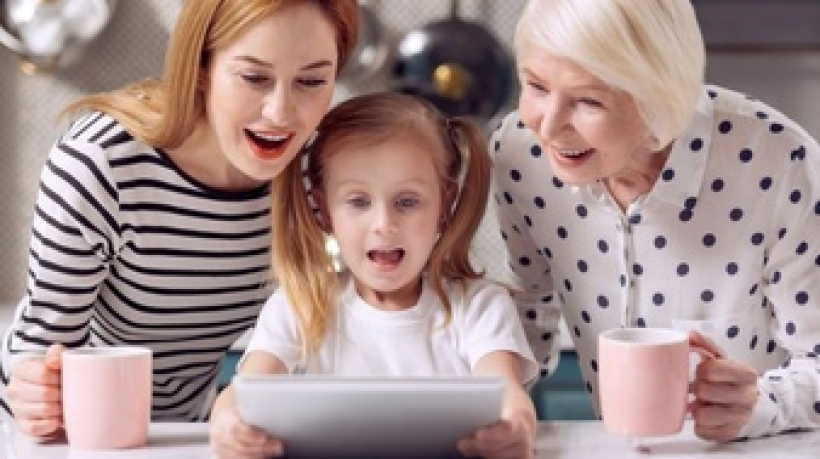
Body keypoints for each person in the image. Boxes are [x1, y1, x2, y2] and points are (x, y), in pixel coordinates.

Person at [0, 0, 358, 441]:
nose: (281, 113)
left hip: (187, 434)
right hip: (73, 434)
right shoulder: (102, 163)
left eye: (311, 81)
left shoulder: (312, 170)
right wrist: (35, 385)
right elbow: (42, 345)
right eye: (254, 78)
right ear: (201, 67)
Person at [492, 0, 820, 443]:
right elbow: (527, 314)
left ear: (658, 92)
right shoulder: (518, 153)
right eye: (536, 86)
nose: (549, 127)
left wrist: (763, 404)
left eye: (589, 101)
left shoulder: (780, 162)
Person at [209, 92, 539, 458]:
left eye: (407, 202)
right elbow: (242, 394)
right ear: (324, 210)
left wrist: (516, 427)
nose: (384, 225)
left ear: (445, 206)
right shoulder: (298, 306)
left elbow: (509, 396)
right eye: (358, 201)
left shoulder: (479, 307)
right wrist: (228, 425)